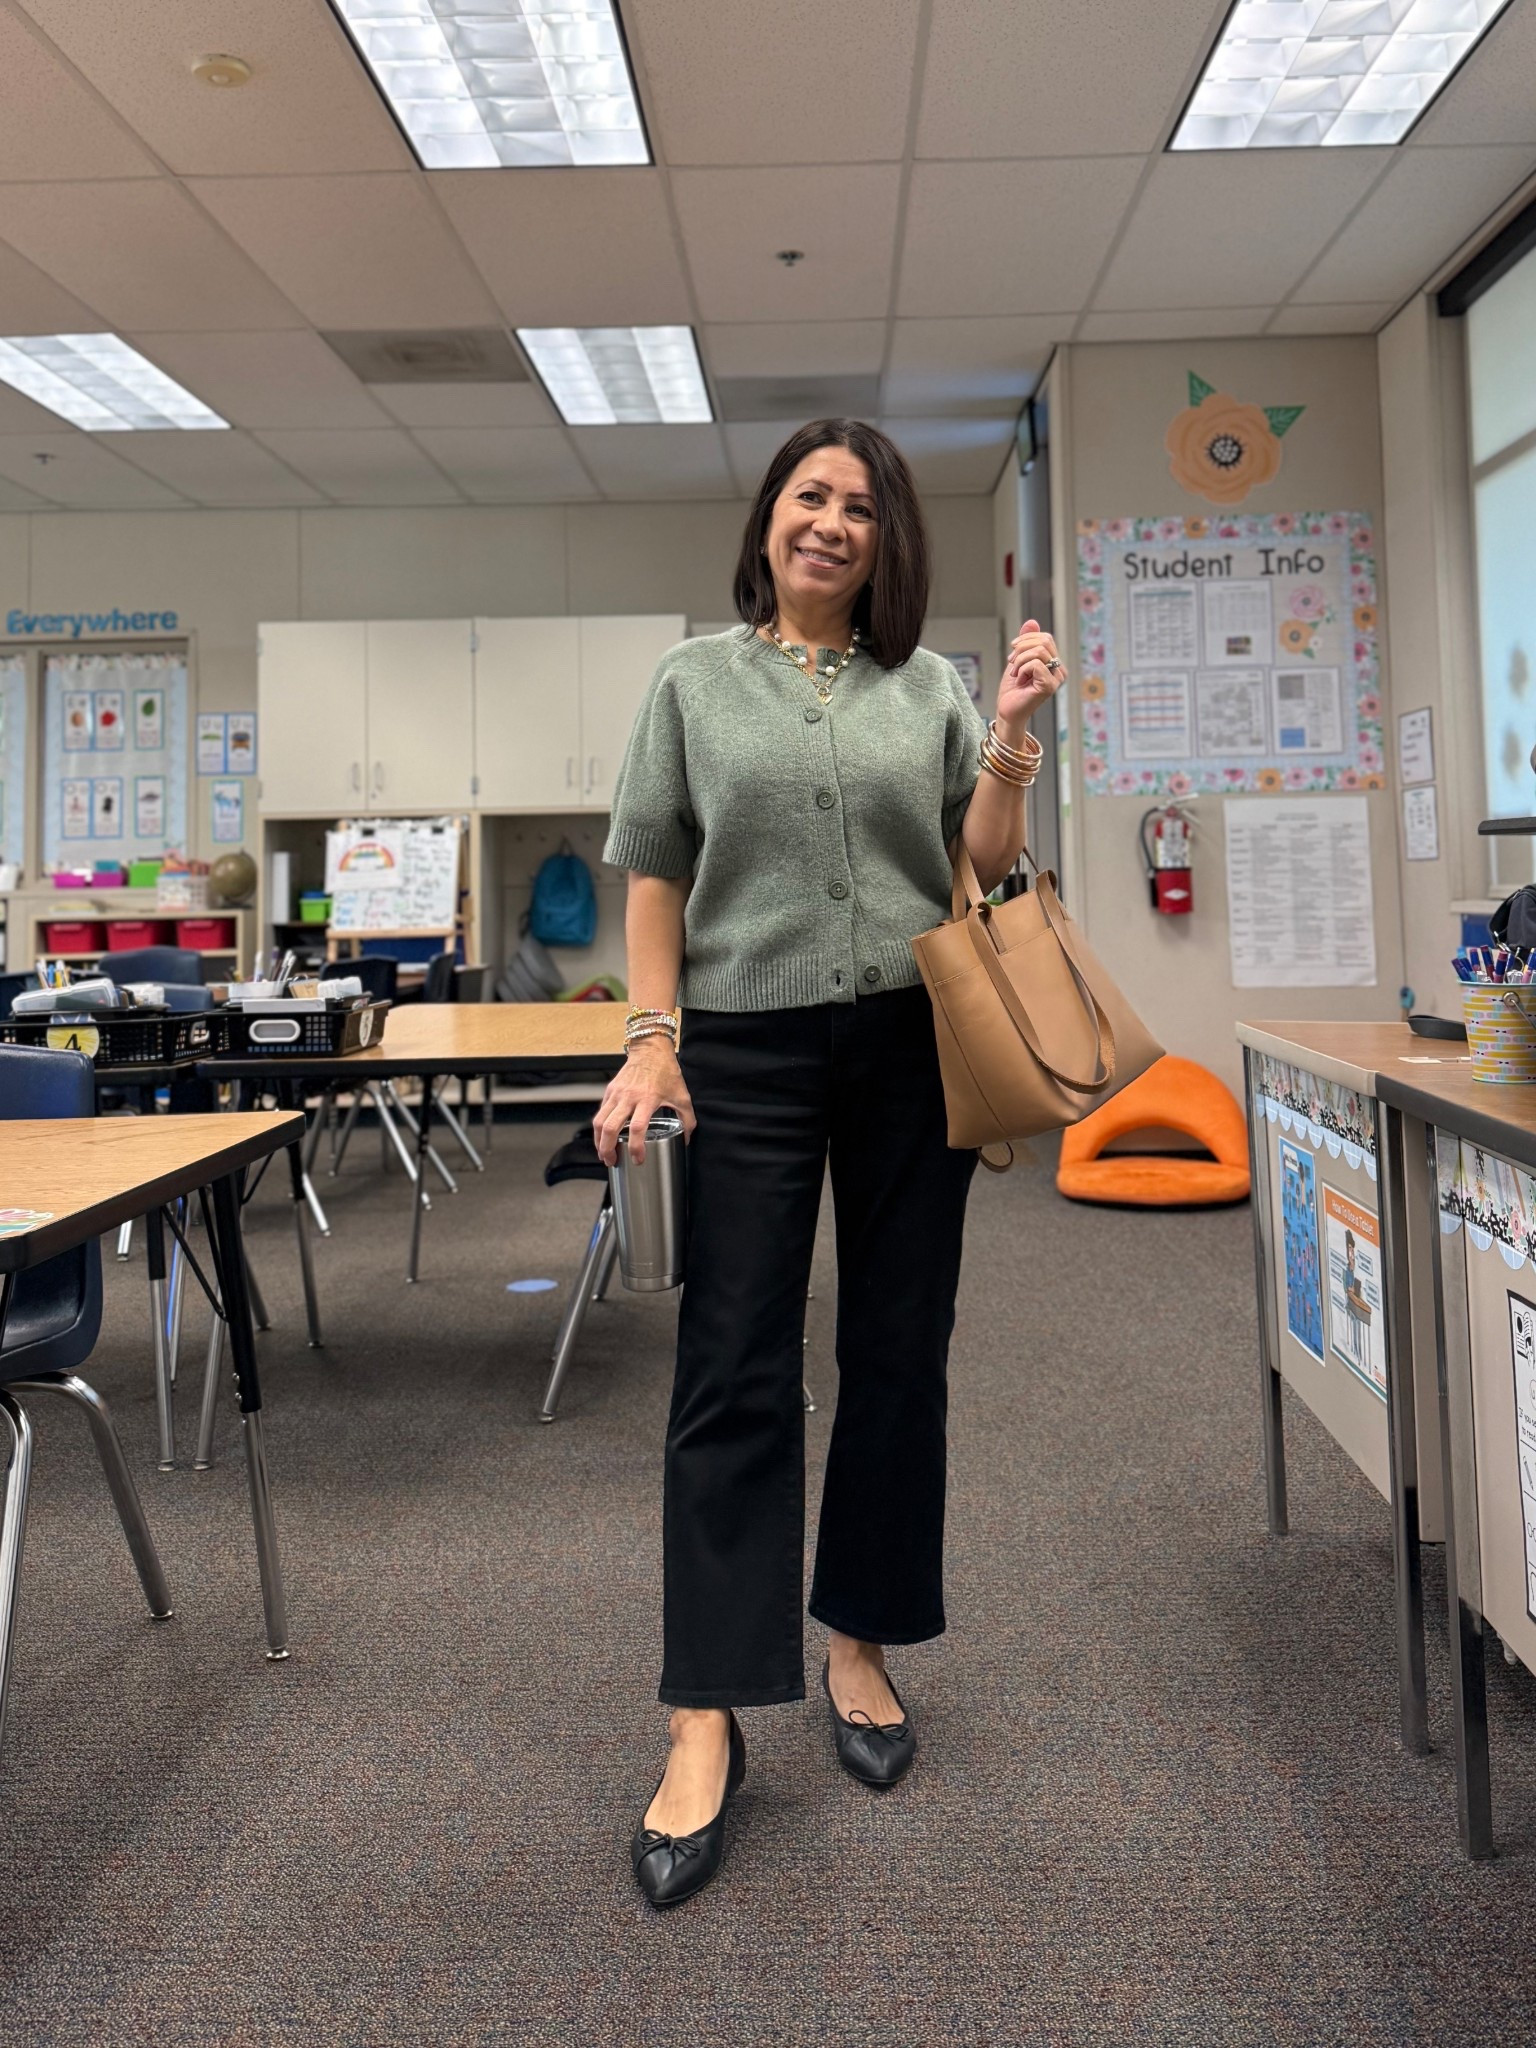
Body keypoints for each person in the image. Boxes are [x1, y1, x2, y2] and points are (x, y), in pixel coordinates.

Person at [594, 417, 1067, 1906]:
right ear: (771, 519)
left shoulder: (925, 687)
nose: (834, 523)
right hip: (741, 1047)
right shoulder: (690, 682)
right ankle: (703, 1710)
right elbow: (657, 875)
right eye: (812, 496)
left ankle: (858, 1636)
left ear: (885, 541)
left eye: (862, 507)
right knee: (730, 1362)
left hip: (908, 1044)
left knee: (896, 1351)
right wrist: (652, 1034)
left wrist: (1010, 731)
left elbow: (977, 864)